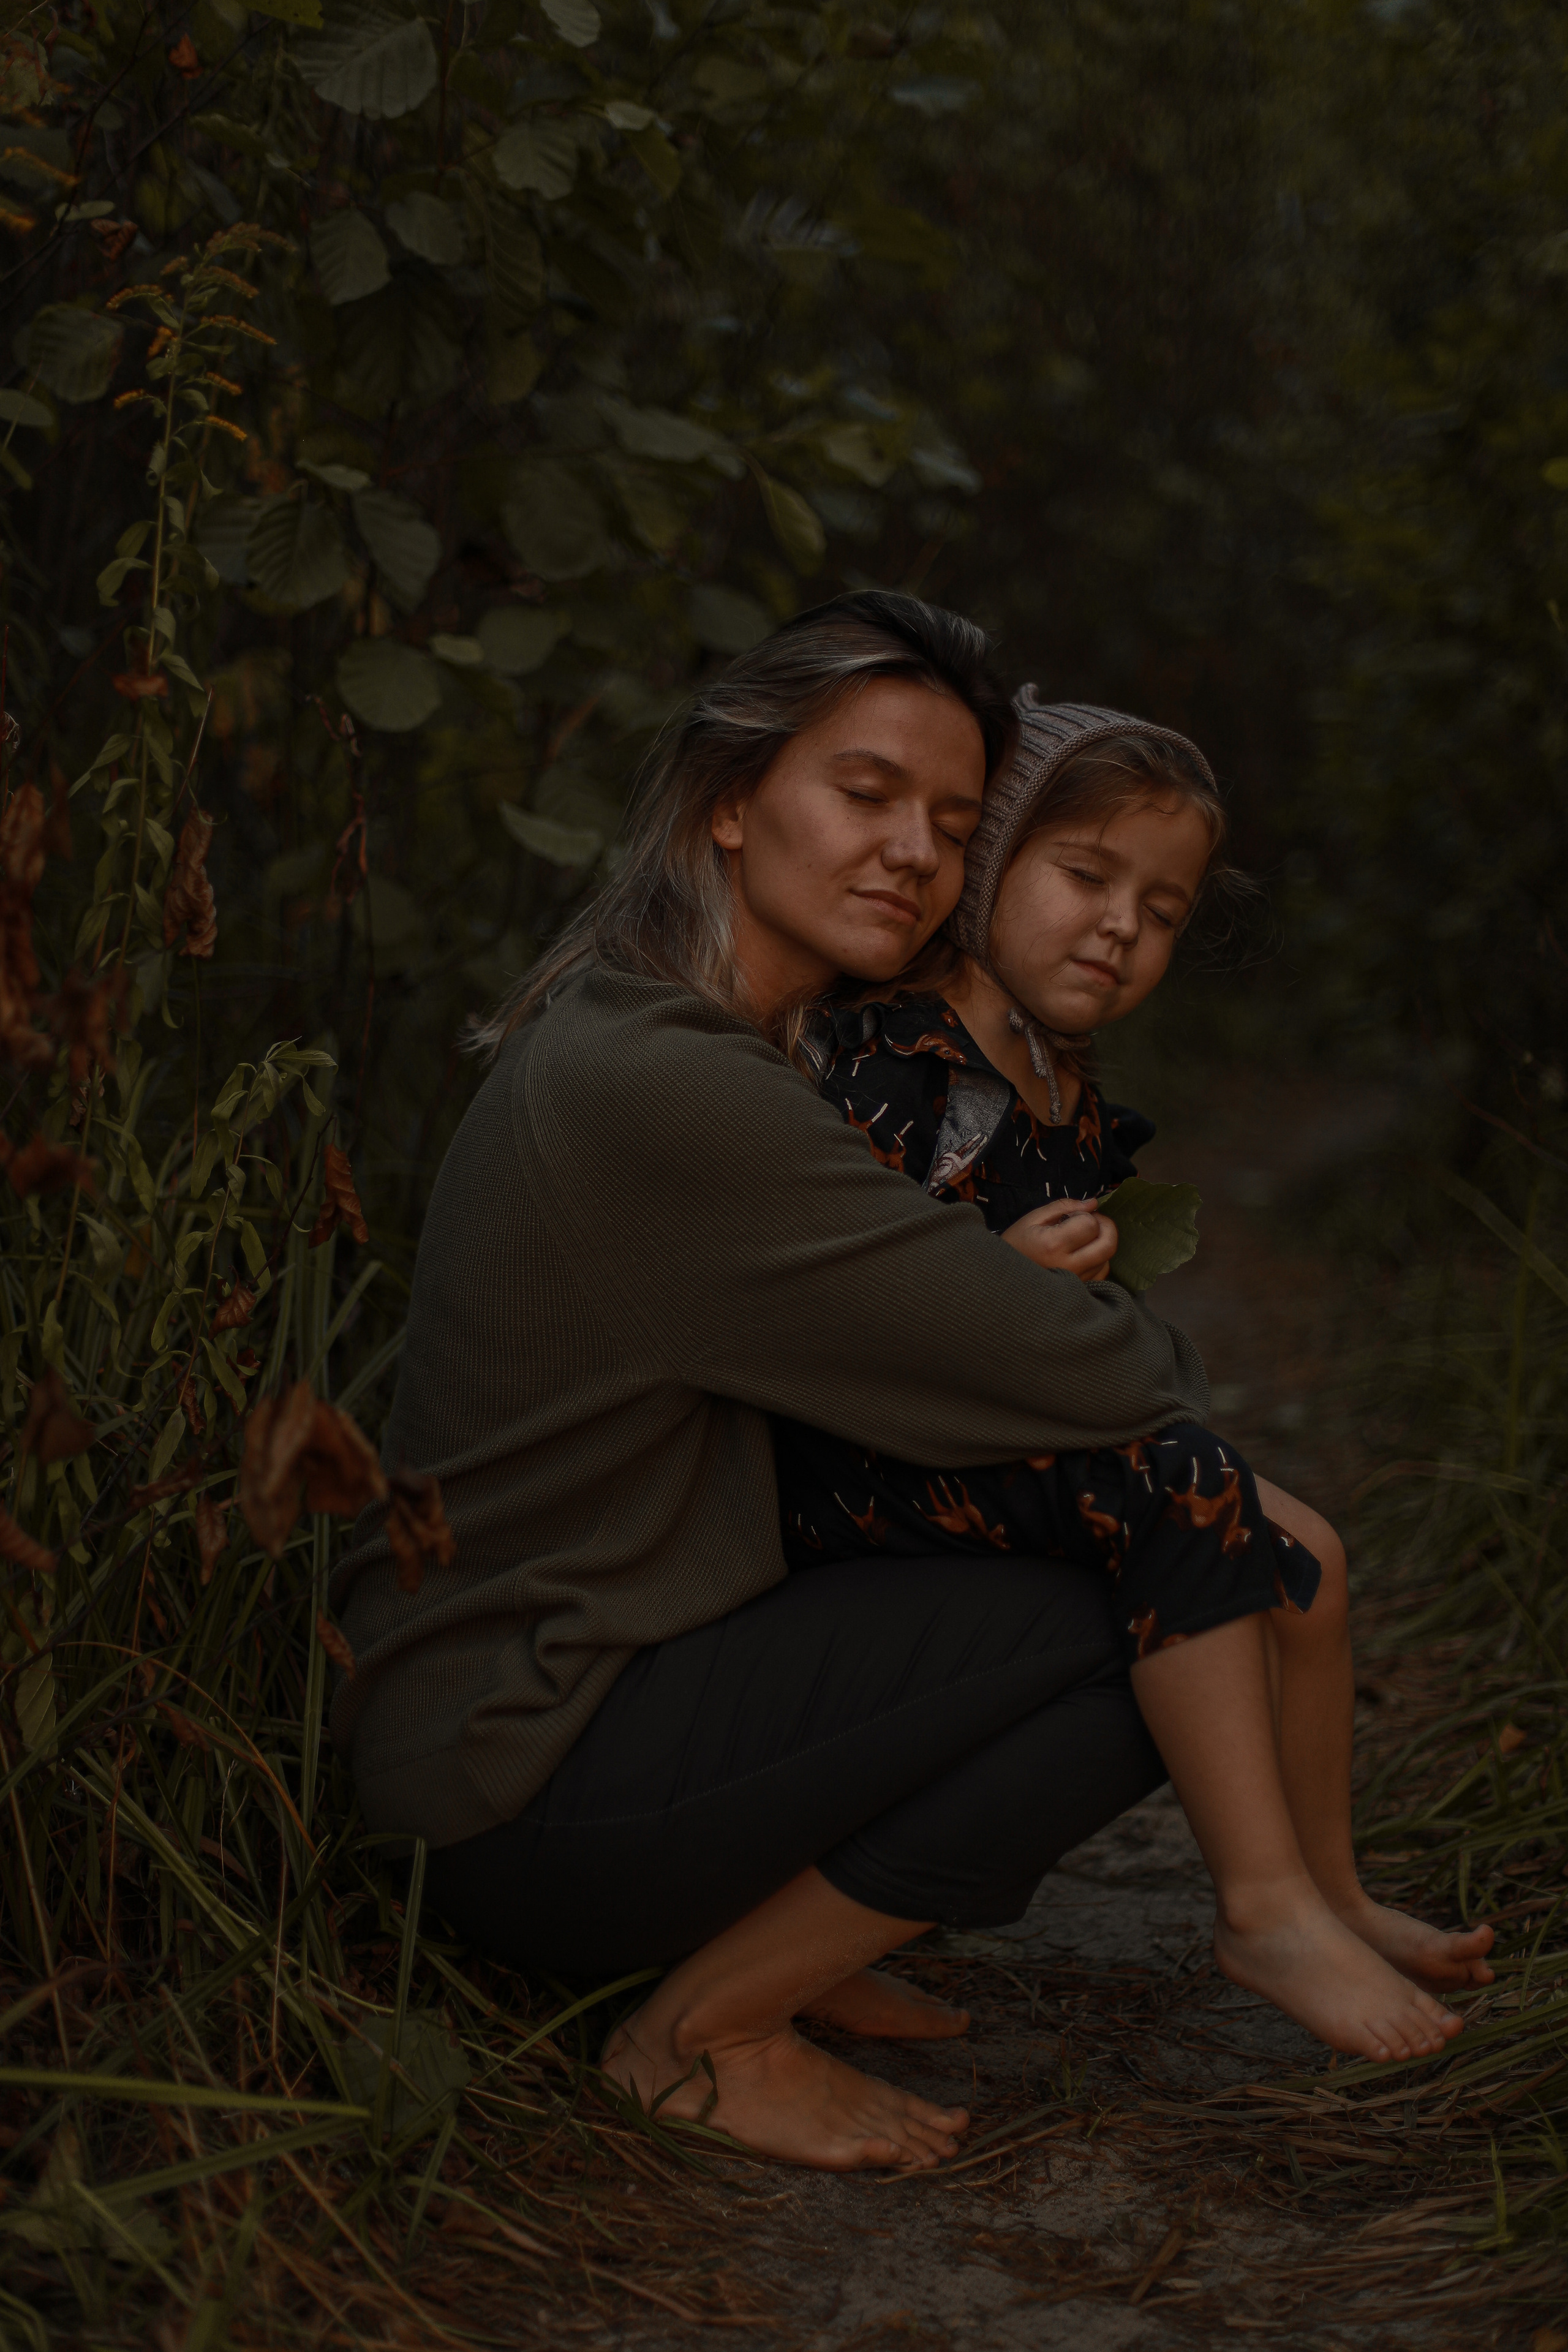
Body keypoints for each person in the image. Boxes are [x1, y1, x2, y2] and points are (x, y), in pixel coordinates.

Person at [324, 595, 1380, 2177]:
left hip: (569, 1709)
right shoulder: (669, 1088)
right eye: (866, 792)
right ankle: (704, 2032)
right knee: (1163, 1593)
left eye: (952, 826)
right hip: (519, 1782)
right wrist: (1069, 1327)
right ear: (729, 799)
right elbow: (1092, 1371)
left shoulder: (712, 1040)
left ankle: (781, 1929)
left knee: (1102, 1542)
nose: (912, 853)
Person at [773, 688, 1496, 2067]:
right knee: (1185, 1483)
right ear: (988, 864)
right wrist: (1001, 1275)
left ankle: (1331, 1889)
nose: (1120, 927)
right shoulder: (898, 1059)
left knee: (1313, 1563)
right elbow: (843, 1294)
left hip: (992, 1440)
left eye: (1161, 912)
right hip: (867, 1464)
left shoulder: (1059, 1080)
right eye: (1086, 877)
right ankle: (1260, 1908)